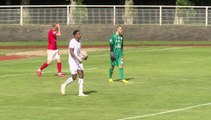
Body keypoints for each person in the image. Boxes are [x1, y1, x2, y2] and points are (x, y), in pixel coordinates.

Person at [61, 30, 88, 96]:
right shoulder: (72, 41)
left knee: (81, 74)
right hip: (72, 61)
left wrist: (83, 56)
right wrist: (77, 59)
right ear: (75, 35)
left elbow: (78, 52)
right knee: (74, 77)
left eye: (80, 34)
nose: (80, 35)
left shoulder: (79, 42)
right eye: (79, 34)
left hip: (78, 60)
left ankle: (80, 93)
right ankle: (64, 85)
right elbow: (71, 52)